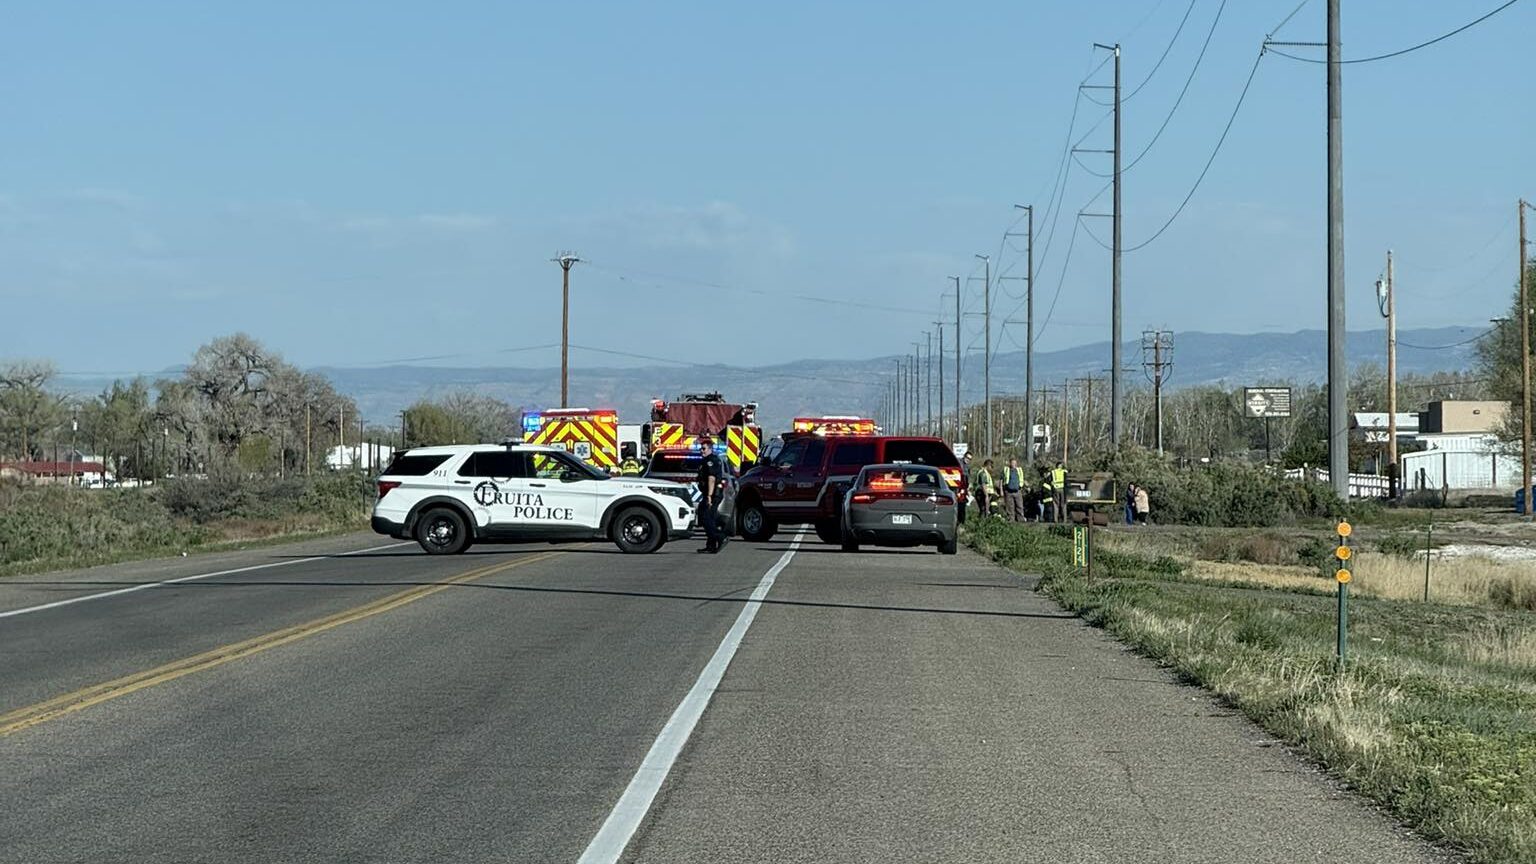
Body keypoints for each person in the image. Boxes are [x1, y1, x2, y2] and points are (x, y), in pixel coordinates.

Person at [695, 436, 729, 553]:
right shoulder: (708, 460)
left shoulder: (710, 461)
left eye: (704, 449)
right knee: (710, 518)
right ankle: (711, 545)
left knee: (705, 517)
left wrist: (709, 496)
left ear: (710, 449)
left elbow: (711, 479)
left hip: (713, 495)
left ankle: (720, 537)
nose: (701, 451)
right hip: (710, 494)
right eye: (701, 448)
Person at [1002, 457, 1026, 522]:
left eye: (1015, 463)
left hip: (1018, 490)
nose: (1013, 464)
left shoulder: (1019, 470)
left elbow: (1022, 479)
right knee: (1010, 507)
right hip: (1008, 491)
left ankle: (1020, 519)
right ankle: (1011, 519)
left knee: (1019, 506)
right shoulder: (1006, 470)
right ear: (1010, 463)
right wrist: (1002, 490)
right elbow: (1001, 480)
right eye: (1012, 463)